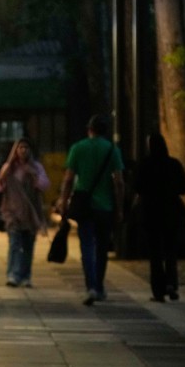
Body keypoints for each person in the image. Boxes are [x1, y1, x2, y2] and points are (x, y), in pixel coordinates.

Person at [55, 115, 125, 306]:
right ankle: (100, 286)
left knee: (87, 246)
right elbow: (118, 182)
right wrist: (119, 208)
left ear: (89, 129)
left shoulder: (78, 148)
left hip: (84, 205)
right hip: (105, 207)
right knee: (102, 248)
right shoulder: (112, 150)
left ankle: (91, 287)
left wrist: (63, 201)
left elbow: (68, 179)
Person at [134, 131, 185, 302]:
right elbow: (184, 187)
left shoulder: (144, 165)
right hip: (171, 211)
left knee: (155, 253)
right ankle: (172, 284)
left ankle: (158, 290)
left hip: (151, 212)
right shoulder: (173, 164)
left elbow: (137, 187)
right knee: (171, 251)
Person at [0, 137, 51, 288]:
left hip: (31, 213)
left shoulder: (36, 167)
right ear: (15, 150)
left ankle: (26, 276)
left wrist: (33, 174)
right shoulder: (9, 167)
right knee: (14, 243)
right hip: (11, 211)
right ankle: (13, 274)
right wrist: (6, 169)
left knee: (28, 245)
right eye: (20, 147)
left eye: (26, 147)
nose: (23, 150)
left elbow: (45, 185)